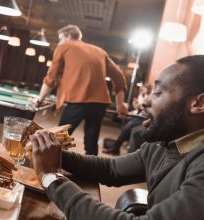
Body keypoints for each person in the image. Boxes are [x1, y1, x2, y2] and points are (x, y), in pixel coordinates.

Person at [30, 55, 204, 219]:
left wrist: (50, 177)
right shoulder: (164, 143)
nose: (144, 102)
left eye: (158, 92)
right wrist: (49, 151)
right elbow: (111, 169)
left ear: (199, 104)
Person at [33, 25, 128, 156]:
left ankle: (53, 168)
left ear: (68, 36)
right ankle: (91, 172)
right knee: (91, 141)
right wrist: (120, 104)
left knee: (59, 137)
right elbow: (119, 77)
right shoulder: (100, 51)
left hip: (79, 100)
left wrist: (39, 100)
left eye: (60, 39)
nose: (59, 42)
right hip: (99, 103)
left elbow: (51, 78)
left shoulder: (64, 47)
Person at [103, 83, 152, 155]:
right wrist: (135, 104)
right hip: (138, 115)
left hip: (143, 117)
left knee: (129, 125)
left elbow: (146, 108)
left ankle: (116, 147)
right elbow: (138, 108)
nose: (142, 89)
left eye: (144, 88)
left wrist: (139, 105)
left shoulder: (149, 97)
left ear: (147, 89)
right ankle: (117, 146)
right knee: (126, 121)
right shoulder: (141, 95)